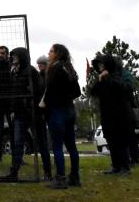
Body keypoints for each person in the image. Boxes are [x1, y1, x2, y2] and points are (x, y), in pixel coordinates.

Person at [0, 47, 40, 181]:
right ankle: (14, 172)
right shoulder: (14, 72)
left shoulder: (30, 71)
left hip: (30, 111)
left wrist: (31, 105)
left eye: (15, 56)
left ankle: (48, 172)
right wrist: (12, 110)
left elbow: (37, 90)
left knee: (41, 141)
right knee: (17, 142)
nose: (13, 58)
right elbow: (13, 93)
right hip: (18, 113)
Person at [43, 43, 82, 189]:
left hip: (57, 111)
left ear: (57, 54)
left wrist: (47, 104)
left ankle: (60, 179)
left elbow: (50, 92)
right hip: (70, 110)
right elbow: (77, 92)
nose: (48, 53)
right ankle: (75, 177)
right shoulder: (69, 68)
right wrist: (66, 97)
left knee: (57, 147)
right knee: (72, 146)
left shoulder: (54, 69)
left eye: (51, 51)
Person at [90, 54, 133, 175]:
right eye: (99, 65)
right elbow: (93, 92)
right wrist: (99, 80)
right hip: (106, 114)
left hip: (120, 115)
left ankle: (125, 167)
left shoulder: (116, 75)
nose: (100, 67)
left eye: (102, 64)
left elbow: (121, 88)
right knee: (111, 141)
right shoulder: (101, 77)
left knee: (121, 141)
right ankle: (116, 166)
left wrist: (108, 77)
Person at [34, 55, 53, 180]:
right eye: (39, 64)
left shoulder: (48, 77)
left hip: (48, 111)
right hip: (41, 111)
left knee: (47, 141)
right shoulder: (39, 76)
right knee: (43, 141)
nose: (40, 66)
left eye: (42, 64)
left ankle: (48, 169)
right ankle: (48, 168)